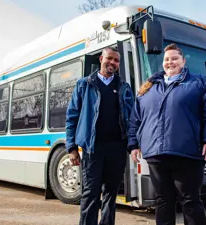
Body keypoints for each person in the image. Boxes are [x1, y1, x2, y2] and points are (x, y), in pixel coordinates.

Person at [128, 43, 206, 225]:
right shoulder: (147, 88)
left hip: (187, 152)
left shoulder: (200, 83)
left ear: (183, 61)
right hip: (156, 154)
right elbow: (135, 119)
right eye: (166, 59)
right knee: (163, 200)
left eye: (174, 58)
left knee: (190, 201)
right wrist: (133, 144)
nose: (170, 62)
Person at [66, 47, 134, 225]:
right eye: (109, 58)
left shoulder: (124, 87)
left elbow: (132, 118)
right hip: (92, 148)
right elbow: (72, 116)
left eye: (116, 60)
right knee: (90, 193)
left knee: (111, 194)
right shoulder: (84, 84)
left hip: (117, 149)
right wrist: (71, 147)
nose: (112, 63)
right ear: (101, 58)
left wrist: (132, 144)